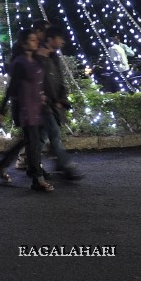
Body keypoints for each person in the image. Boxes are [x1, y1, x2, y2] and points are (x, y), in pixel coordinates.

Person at [0, 28, 54, 192]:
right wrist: (1, 109)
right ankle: (37, 179)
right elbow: (11, 88)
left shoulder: (35, 60)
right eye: (33, 40)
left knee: (28, 141)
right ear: (24, 43)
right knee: (32, 143)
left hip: (38, 107)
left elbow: (40, 83)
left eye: (36, 40)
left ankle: (2, 165)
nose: (36, 42)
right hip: (25, 108)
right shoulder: (19, 62)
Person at [36, 26, 83, 180]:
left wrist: (62, 99)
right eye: (59, 38)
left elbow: (59, 80)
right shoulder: (40, 56)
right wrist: (49, 100)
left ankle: (38, 166)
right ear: (50, 39)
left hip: (53, 103)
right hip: (45, 104)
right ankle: (65, 165)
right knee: (54, 135)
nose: (62, 41)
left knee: (41, 137)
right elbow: (41, 81)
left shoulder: (53, 56)